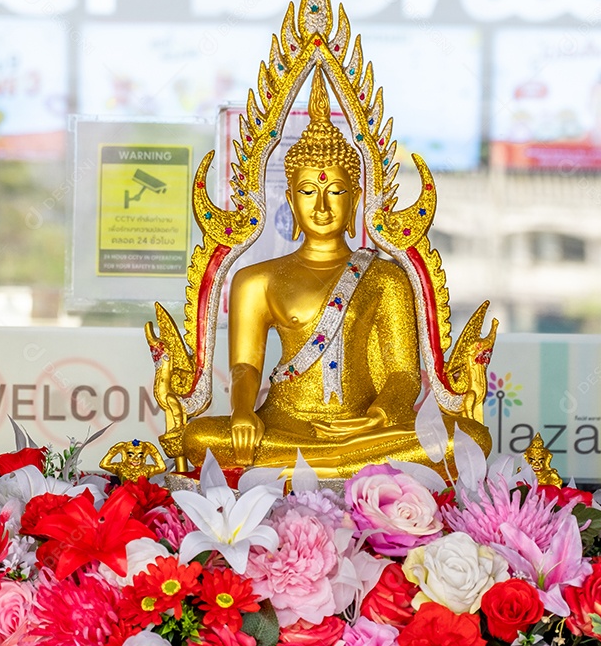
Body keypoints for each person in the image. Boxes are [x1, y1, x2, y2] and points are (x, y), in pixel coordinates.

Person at [181, 68, 489, 477]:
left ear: (357, 197)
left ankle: (313, 471)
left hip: (364, 429)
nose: (322, 206)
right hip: (285, 425)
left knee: (468, 439)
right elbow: (246, 367)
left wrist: (378, 418)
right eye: (308, 191)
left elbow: (400, 375)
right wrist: (241, 412)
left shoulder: (385, 277)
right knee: (199, 438)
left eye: (336, 191)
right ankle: (347, 471)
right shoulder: (256, 279)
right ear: (289, 198)